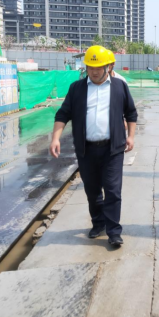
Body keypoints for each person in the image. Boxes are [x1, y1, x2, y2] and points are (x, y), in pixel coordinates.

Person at [49, 45, 137, 247]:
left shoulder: (119, 87)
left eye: (98, 67)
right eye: (90, 67)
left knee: (113, 190)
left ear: (108, 67)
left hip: (113, 149)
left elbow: (131, 113)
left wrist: (131, 137)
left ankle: (114, 231)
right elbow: (63, 114)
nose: (94, 71)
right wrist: (55, 138)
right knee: (92, 190)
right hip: (86, 150)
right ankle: (98, 223)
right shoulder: (77, 88)